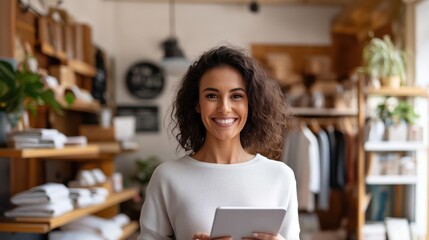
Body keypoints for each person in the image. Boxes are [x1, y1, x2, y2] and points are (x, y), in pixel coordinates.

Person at [138, 46, 300, 240]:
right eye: (212, 96)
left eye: (236, 96)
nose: (224, 108)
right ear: (197, 104)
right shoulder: (167, 177)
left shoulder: (280, 176)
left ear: (251, 103)